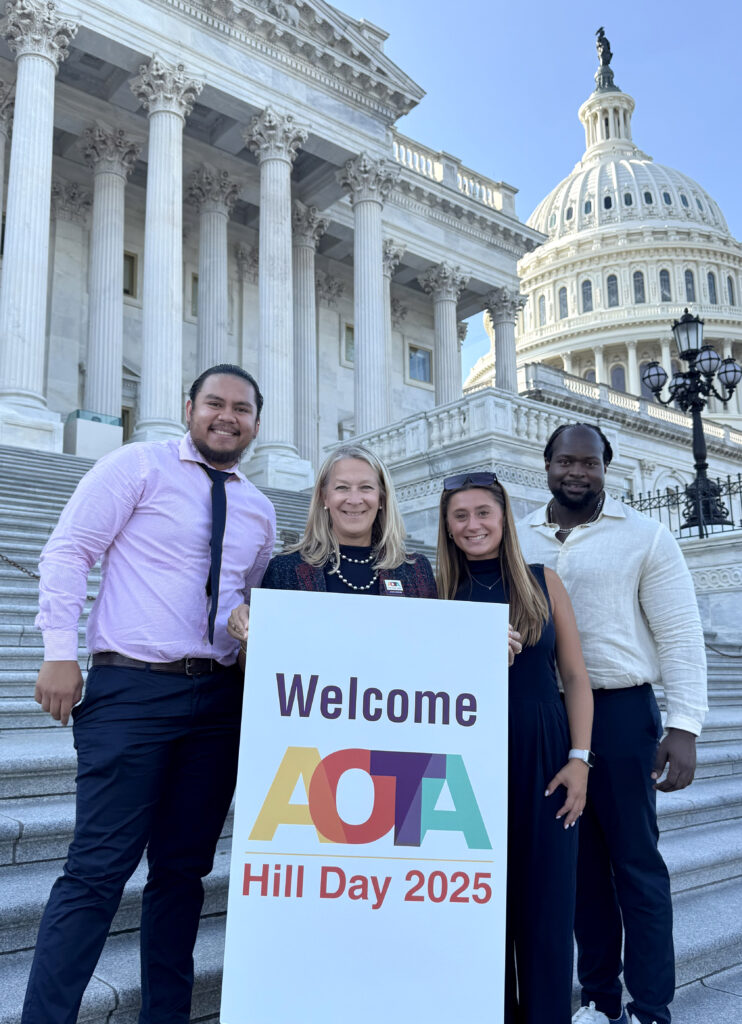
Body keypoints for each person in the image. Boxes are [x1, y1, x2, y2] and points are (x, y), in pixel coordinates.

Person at [23, 364, 276, 1024]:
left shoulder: (260, 507)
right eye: (214, 403)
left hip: (217, 701)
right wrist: (59, 653)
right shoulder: (137, 466)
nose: (227, 416)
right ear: (188, 406)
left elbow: (249, 602)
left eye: (242, 409)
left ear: (256, 422)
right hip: (132, 688)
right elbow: (70, 550)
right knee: (97, 871)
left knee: (182, 875)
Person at [518, 422, 708, 1024]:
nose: (577, 473)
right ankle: (600, 1000)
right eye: (566, 462)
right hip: (550, 719)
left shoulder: (645, 535)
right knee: (580, 873)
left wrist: (684, 725)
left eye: (590, 463)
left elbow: (680, 632)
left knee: (636, 866)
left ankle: (651, 1005)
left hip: (624, 714)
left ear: (607, 466)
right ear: (546, 465)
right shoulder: (518, 535)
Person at [436, 470, 594, 1024]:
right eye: (460, 516)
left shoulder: (543, 579)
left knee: (549, 907)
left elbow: (574, 677)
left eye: (483, 513)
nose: (473, 525)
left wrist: (580, 760)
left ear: (504, 518)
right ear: (448, 527)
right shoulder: (435, 590)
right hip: (463, 759)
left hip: (543, 750)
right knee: (477, 908)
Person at [227, 443, 435, 650]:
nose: (354, 500)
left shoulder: (415, 570)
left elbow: (432, 652)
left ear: (381, 498)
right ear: (324, 497)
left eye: (366, 487)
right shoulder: (285, 569)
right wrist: (247, 637)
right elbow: (262, 668)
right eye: (342, 487)